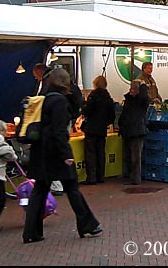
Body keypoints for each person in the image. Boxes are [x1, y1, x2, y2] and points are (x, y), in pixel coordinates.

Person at [22, 68, 102, 243]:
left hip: (39, 152)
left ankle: (31, 232)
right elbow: (59, 131)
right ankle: (87, 224)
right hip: (56, 153)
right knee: (72, 188)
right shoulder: (59, 101)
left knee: (39, 191)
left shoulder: (42, 99)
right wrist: (66, 154)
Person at [32, 63, 64, 197]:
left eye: (36, 76)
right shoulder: (59, 98)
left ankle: (56, 185)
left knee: (51, 157)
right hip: (53, 130)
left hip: (49, 130)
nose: (36, 79)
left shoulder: (51, 94)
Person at [80, 76, 116, 185]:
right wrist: (105, 123)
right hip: (102, 129)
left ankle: (91, 177)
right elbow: (112, 116)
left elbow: (87, 110)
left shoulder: (93, 96)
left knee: (90, 153)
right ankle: (101, 176)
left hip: (91, 128)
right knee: (101, 152)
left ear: (95, 84)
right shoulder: (108, 98)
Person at [118, 79, 150, 185]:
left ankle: (135, 178)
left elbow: (145, 98)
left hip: (136, 131)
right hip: (129, 130)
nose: (131, 90)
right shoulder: (129, 99)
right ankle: (128, 175)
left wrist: (143, 85)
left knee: (135, 157)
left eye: (133, 88)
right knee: (128, 155)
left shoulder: (141, 101)